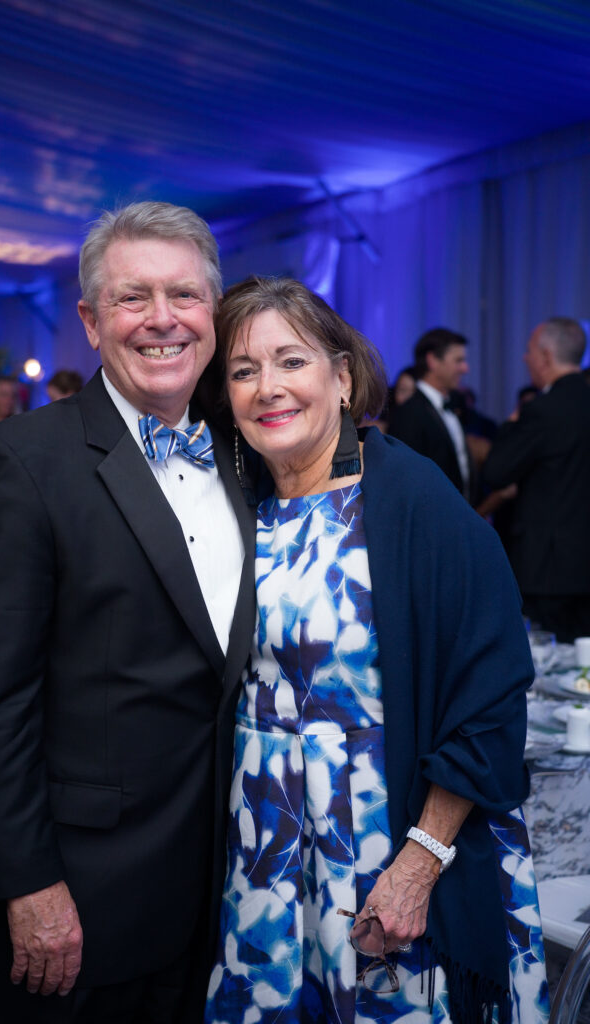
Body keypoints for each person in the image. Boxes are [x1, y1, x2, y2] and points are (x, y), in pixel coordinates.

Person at [0, 201, 256, 1023]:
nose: (161, 320)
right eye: (131, 297)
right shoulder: (18, 465)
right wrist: (28, 884)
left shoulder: (251, 454)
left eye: (183, 296)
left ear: (213, 313)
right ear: (89, 319)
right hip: (82, 898)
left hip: (233, 891)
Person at [204, 277, 548, 1024]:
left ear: (343, 375)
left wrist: (419, 862)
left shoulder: (409, 501)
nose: (269, 387)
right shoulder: (241, 508)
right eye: (243, 370)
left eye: (291, 361)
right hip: (266, 859)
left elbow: (490, 691)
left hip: (384, 851)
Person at [484, 317, 590, 642]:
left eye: (529, 350)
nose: (524, 358)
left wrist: (512, 423)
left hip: (549, 566)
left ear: (545, 356)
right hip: (583, 561)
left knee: (548, 662)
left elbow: (496, 472)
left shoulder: (544, 410)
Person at [388, 328, 473, 500]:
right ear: (433, 360)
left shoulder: (455, 405)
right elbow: (406, 480)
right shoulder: (410, 413)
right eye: (458, 360)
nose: (465, 368)